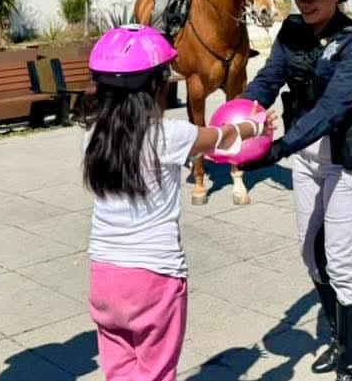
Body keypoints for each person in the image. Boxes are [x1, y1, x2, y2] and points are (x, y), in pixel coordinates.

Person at [81, 24, 273, 381]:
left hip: (103, 277)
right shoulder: (168, 135)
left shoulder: (94, 136)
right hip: (154, 278)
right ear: (155, 87)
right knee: (155, 373)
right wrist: (257, 127)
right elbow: (223, 137)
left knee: (119, 372)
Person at [239, 0, 352, 381]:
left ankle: (351, 366)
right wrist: (239, 116)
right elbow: (268, 79)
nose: (305, 0)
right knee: (309, 254)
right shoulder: (292, 31)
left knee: (342, 263)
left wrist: (277, 149)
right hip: (306, 159)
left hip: (345, 161)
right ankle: (337, 337)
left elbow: (331, 110)